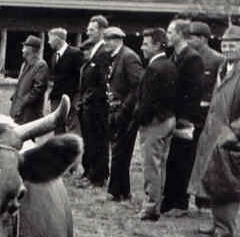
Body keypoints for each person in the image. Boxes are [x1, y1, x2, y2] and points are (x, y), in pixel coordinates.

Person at [188, 25, 240, 237]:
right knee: (216, 180)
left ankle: (225, 229)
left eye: (232, 45)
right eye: (224, 45)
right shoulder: (223, 68)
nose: (227, 49)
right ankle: (217, 224)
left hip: (234, 137)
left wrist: (236, 130)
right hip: (215, 134)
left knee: (229, 183)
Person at [134, 28, 179, 221]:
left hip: (154, 123)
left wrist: (139, 120)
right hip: (167, 119)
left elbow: (147, 102)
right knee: (160, 165)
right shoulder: (170, 65)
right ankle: (157, 203)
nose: (142, 47)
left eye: (145, 44)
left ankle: (151, 206)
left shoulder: (154, 68)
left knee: (151, 166)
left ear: (157, 45)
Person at [160, 19, 204, 217]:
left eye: (170, 32)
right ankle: (169, 200)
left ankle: (180, 203)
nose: (167, 36)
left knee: (183, 160)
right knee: (172, 160)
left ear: (180, 34)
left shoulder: (192, 58)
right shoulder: (174, 56)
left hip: (185, 118)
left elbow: (194, 92)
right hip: (173, 115)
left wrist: (185, 119)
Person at [186, 21, 224, 210]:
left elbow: (220, 89)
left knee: (205, 156)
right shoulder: (186, 56)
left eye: (192, 37)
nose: (188, 41)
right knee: (187, 155)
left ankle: (203, 197)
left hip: (206, 115)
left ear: (203, 39)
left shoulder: (217, 60)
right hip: (188, 113)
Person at [105, 26, 144, 202]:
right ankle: (123, 191)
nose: (105, 43)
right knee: (119, 151)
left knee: (120, 151)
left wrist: (124, 108)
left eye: (108, 40)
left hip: (126, 113)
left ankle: (115, 191)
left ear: (117, 40)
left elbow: (137, 87)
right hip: (117, 110)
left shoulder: (128, 57)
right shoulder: (116, 57)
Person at [76, 16, 113, 187]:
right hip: (88, 104)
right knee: (89, 140)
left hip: (97, 106)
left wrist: (88, 98)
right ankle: (89, 171)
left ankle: (98, 176)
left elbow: (102, 82)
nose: (88, 33)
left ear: (101, 31)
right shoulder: (94, 51)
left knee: (98, 141)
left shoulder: (103, 52)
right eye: (88, 29)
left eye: (91, 30)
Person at [47, 27, 83, 134]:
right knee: (57, 127)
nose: (48, 42)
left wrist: (76, 99)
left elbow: (80, 77)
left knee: (72, 128)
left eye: (50, 39)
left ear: (57, 39)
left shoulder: (75, 53)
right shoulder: (54, 56)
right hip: (56, 98)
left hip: (70, 98)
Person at [9, 35, 49, 123]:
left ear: (30, 49)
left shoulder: (41, 65)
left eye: (24, 47)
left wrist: (22, 102)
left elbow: (38, 89)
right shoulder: (25, 64)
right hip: (20, 111)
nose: (22, 50)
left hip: (29, 113)